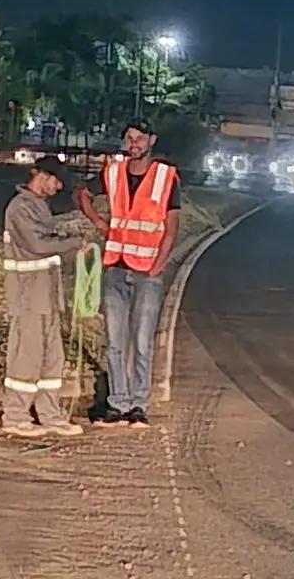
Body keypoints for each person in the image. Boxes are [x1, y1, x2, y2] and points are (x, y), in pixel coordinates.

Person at [75, 120, 182, 429]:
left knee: (142, 340)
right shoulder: (113, 173)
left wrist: (160, 263)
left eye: (139, 138)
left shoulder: (166, 177)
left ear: (151, 140)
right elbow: (82, 193)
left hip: (148, 272)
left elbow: (171, 226)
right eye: (129, 138)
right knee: (115, 341)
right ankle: (118, 403)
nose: (134, 143)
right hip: (116, 267)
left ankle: (138, 404)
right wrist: (98, 222)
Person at [0, 157, 91, 438]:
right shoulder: (21, 208)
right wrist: (74, 244)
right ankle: (15, 414)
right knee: (26, 356)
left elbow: (47, 240)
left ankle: (51, 414)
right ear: (41, 176)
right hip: (28, 294)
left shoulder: (39, 207)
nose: (58, 186)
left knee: (52, 357)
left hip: (47, 294)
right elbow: (38, 244)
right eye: (56, 180)